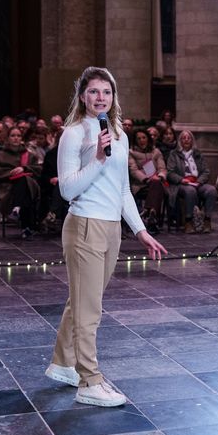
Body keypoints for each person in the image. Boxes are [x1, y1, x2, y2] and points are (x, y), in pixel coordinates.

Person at [46, 67, 165, 408]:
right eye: (94, 91)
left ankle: (63, 363)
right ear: (82, 96)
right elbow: (68, 189)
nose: (101, 97)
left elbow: (124, 189)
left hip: (112, 228)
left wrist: (140, 230)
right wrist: (97, 158)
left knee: (83, 301)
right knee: (89, 308)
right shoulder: (73, 134)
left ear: (114, 97)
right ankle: (89, 381)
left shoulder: (119, 134)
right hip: (84, 225)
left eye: (107, 92)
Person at [167, 129, 216, 234]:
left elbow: (206, 171)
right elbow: (170, 173)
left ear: (192, 140)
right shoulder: (174, 154)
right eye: (183, 138)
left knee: (211, 190)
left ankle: (207, 220)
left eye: (188, 138)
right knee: (190, 191)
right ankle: (189, 221)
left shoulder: (198, 154)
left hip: (197, 182)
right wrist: (181, 179)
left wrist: (199, 181)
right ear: (180, 141)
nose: (186, 140)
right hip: (181, 184)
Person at [129, 130, 167, 234]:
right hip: (141, 184)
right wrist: (147, 179)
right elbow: (134, 170)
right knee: (156, 185)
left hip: (156, 181)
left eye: (144, 137)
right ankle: (152, 216)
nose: (142, 140)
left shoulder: (156, 152)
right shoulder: (131, 152)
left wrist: (160, 176)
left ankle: (149, 212)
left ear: (148, 139)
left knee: (157, 184)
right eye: (139, 138)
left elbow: (162, 168)